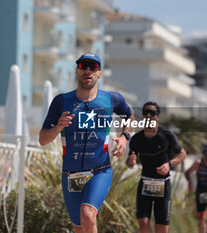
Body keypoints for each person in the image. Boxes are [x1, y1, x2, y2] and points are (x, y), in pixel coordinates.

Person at [39, 54, 135, 233]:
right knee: (80, 227)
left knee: (88, 214)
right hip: (71, 175)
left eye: (93, 67)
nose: (88, 70)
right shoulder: (61, 101)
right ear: (77, 71)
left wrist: (124, 138)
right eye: (84, 66)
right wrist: (58, 127)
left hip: (100, 171)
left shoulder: (111, 99)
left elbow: (129, 117)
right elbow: (43, 139)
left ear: (99, 73)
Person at [126, 101, 187, 233]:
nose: (149, 115)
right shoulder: (136, 139)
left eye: (152, 113)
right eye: (146, 113)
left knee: (161, 229)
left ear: (158, 116)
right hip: (145, 184)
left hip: (163, 185)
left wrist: (169, 164)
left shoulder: (167, 135)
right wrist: (130, 161)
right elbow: (129, 161)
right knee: (143, 224)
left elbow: (182, 154)